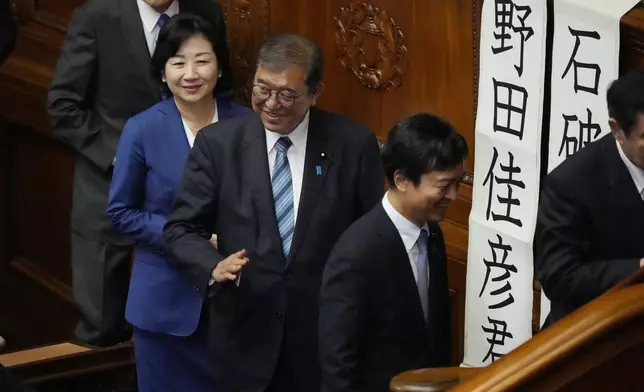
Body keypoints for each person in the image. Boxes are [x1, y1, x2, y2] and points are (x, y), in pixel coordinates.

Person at [163, 34, 385, 392]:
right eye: (262, 89)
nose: (271, 104)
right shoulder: (218, 145)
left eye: (286, 94)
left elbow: (373, 238)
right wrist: (211, 264)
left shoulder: (353, 145)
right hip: (243, 340)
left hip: (323, 344)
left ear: (316, 92)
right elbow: (180, 229)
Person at [47, 0, 232, 347]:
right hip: (109, 189)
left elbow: (223, 92)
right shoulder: (96, 15)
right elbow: (64, 104)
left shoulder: (207, 10)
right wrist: (123, 156)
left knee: (188, 327)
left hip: (189, 199)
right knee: (101, 327)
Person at [106, 14, 249, 392]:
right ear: (163, 70)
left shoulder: (246, 124)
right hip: (164, 307)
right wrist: (189, 239)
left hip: (237, 305)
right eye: (178, 62)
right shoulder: (142, 128)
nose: (191, 73)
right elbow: (120, 213)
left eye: (202, 60)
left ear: (219, 65)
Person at [319, 113, 466, 392]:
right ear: (401, 180)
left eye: (459, 183)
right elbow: (338, 360)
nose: (454, 195)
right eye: (444, 186)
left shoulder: (432, 233)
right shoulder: (357, 253)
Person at [536, 70, 644, 328]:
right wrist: (639, 268)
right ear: (617, 129)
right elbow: (559, 276)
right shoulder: (570, 183)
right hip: (595, 337)